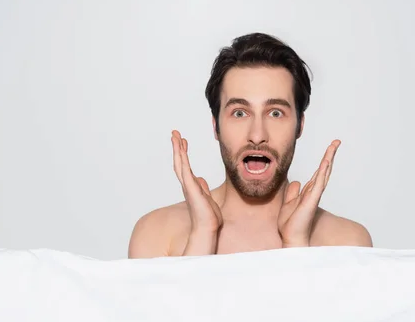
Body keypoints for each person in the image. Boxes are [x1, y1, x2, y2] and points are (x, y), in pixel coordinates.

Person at [128, 32, 372, 258]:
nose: (257, 135)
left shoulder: (348, 243)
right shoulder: (157, 234)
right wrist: (202, 235)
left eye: (275, 113)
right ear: (216, 126)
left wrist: (296, 244)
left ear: (300, 125)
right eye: (240, 113)